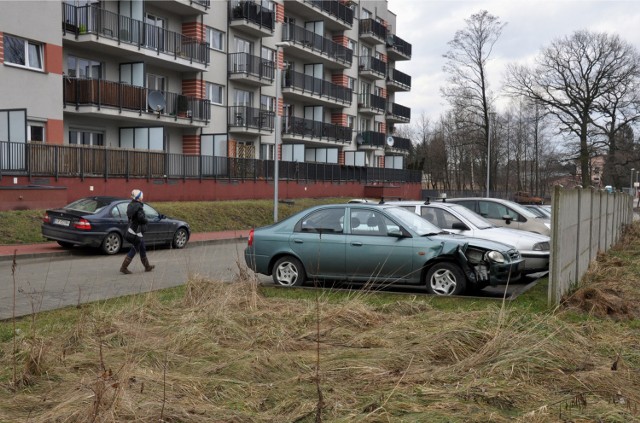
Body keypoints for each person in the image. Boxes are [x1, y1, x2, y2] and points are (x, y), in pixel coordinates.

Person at [120, 189, 155, 274]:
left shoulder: (130, 205)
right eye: (141, 196)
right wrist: (146, 220)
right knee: (135, 248)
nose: (142, 197)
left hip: (132, 229)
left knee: (142, 246)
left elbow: (130, 217)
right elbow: (140, 218)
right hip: (136, 231)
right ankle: (123, 267)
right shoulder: (139, 206)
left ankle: (147, 266)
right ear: (139, 197)